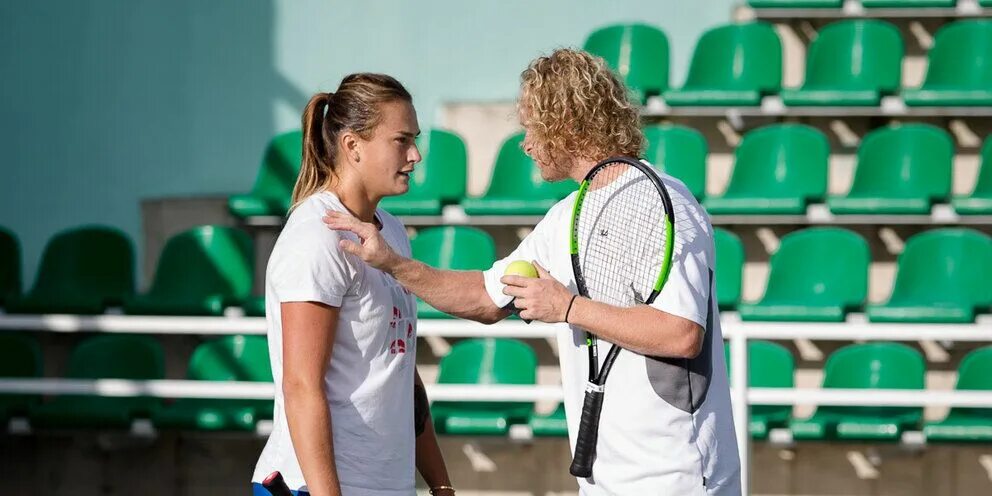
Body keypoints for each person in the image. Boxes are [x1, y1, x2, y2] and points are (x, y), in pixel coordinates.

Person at [323, 50, 741, 495]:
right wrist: (394, 264)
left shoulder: (664, 203)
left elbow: (681, 334)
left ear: (566, 124)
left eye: (531, 128)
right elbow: (485, 297)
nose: (525, 143)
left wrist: (569, 307)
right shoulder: (565, 218)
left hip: (679, 480)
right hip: (604, 482)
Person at [252, 73, 454, 496]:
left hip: (386, 485)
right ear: (352, 146)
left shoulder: (392, 233)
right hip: (319, 486)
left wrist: (440, 485)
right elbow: (301, 385)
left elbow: (401, 374)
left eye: (414, 139)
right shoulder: (316, 235)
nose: (415, 155)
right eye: (401, 140)